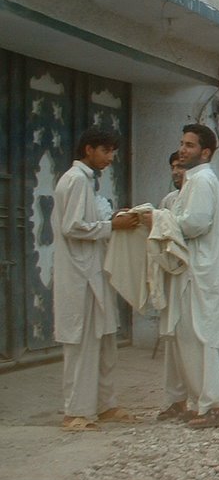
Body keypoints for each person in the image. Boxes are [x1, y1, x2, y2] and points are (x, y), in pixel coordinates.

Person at [144, 124, 219, 429]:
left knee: (202, 340)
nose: (183, 150)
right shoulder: (192, 181)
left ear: (205, 152)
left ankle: (213, 407)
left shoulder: (203, 180)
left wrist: (157, 219)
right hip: (189, 273)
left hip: (199, 274)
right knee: (186, 340)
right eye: (182, 144)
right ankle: (198, 403)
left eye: (190, 146)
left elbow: (195, 224)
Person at [52, 126, 140, 431]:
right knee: (82, 345)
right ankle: (74, 412)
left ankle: (104, 405)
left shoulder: (88, 183)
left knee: (104, 343)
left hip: (95, 273)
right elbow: (72, 226)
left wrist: (114, 220)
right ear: (88, 149)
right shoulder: (75, 180)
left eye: (113, 151)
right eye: (105, 151)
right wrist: (112, 227)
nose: (110, 157)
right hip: (79, 276)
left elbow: (91, 221)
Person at [159, 151, 219, 249]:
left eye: (180, 167)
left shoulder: (214, 197)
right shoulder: (169, 200)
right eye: (173, 168)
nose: (175, 172)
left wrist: (218, 244)